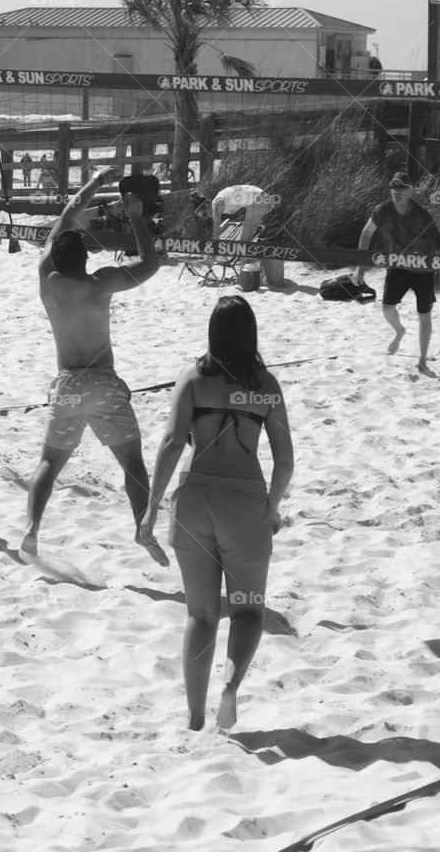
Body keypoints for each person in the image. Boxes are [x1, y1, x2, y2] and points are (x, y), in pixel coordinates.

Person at [139, 296, 294, 732]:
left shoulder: (192, 378)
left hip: (194, 500)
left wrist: (150, 507)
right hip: (244, 503)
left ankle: (193, 717)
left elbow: (171, 443)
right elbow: (285, 462)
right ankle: (229, 687)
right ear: (251, 334)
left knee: (200, 615)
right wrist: (273, 508)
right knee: (246, 610)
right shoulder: (266, 386)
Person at [21, 166, 166, 563]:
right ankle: (142, 527)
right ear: (87, 258)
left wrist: (97, 182)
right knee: (133, 463)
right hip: (103, 384)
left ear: (55, 257)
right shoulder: (101, 284)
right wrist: (136, 219)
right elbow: (151, 263)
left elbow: (67, 216)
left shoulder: (46, 280)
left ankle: (32, 531)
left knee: (49, 463)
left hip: (67, 385)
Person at [352, 172, 440, 372]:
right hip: (397, 266)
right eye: (393, 187)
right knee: (387, 308)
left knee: (424, 314)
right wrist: (360, 267)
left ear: (410, 190)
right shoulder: (382, 210)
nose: (396, 191)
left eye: (401, 187)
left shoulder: (422, 215)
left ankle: (422, 360)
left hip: (423, 269)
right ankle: (399, 331)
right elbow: (366, 232)